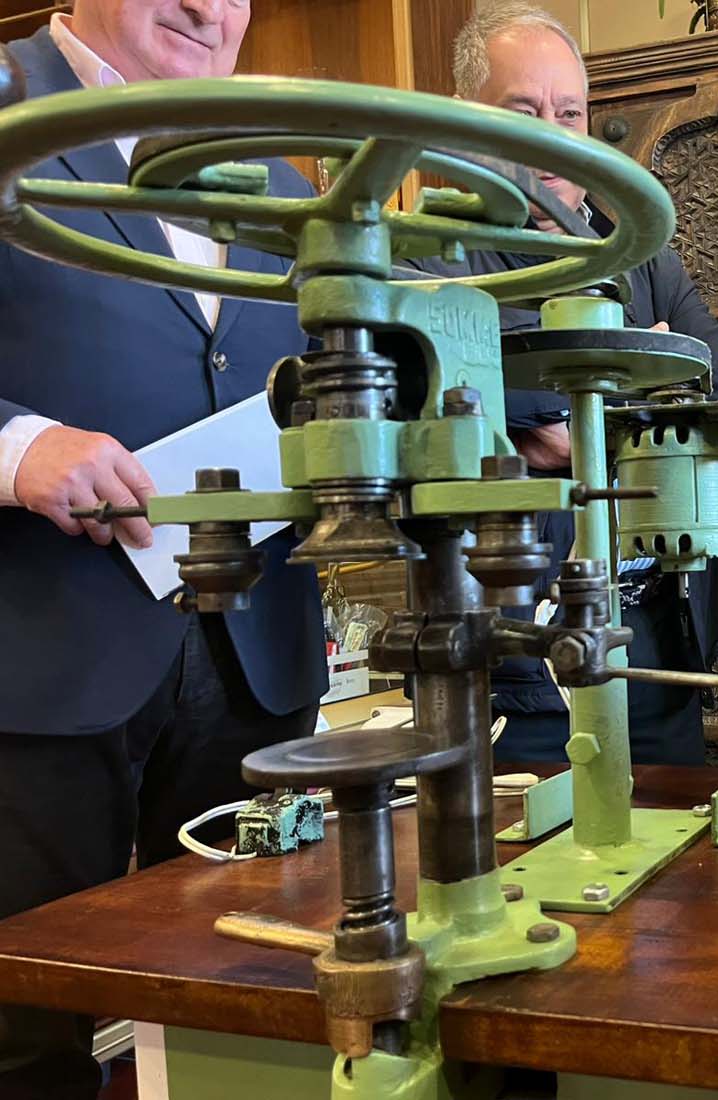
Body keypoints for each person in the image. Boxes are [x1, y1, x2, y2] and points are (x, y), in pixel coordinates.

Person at [0, 2, 325, 1095]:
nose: (205, 7)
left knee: (250, 1000)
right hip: (42, 670)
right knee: (27, 1019)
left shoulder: (282, 184)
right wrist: (17, 445)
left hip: (258, 660)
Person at [431, 2, 718, 764]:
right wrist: (638, 386)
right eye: (522, 111)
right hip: (506, 673)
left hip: (656, 657)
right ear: (466, 123)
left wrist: (551, 407)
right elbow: (427, 385)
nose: (551, 136)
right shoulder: (429, 252)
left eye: (568, 113)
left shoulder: (640, 254)